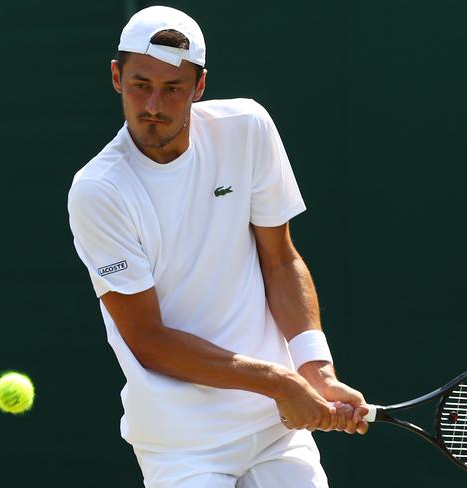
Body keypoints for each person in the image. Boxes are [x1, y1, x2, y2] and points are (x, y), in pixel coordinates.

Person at [67, 5, 368, 487]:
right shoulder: (99, 190)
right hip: (181, 446)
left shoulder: (247, 128)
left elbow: (280, 259)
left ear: (199, 87)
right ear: (116, 77)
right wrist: (279, 382)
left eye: (173, 89)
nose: (154, 107)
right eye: (141, 84)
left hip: (276, 429)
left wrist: (315, 369)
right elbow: (149, 341)